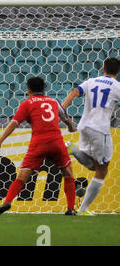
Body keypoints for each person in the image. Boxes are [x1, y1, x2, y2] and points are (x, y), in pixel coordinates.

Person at [0, 77, 78, 215]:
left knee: (22, 176)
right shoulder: (53, 101)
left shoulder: (27, 103)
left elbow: (14, 123)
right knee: (68, 173)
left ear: (28, 90)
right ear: (44, 89)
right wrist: (71, 127)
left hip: (38, 143)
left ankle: (7, 201)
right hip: (56, 142)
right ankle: (71, 209)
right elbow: (65, 117)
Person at [62, 57, 120, 216]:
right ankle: (83, 210)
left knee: (94, 166)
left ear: (103, 69)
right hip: (100, 129)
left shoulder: (91, 81)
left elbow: (74, 92)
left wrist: (62, 109)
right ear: (118, 72)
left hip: (84, 126)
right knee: (102, 170)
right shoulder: (117, 87)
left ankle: (72, 148)